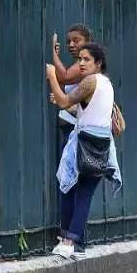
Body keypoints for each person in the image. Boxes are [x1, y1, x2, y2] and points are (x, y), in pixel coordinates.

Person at [46, 44, 122, 260]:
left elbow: (64, 100)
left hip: (85, 144)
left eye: (86, 59)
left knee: (69, 188)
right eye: (79, 59)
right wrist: (66, 106)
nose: (81, 63)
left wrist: (52, 76)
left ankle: (68, 241)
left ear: (98, 63)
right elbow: (88, 112)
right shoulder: (106, 84)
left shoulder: (90, 81)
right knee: (84, 194)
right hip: (102, 145)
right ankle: (74, 242)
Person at [51, 24, 94, 147]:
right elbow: (62, 81)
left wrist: (53, 54)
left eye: (76, 40)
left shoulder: (86, 65)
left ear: (88, 42)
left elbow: (64, 77)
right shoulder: (78, 64)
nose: (71, 45)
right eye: (68, 41)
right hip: (70, 127)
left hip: (79, 129)